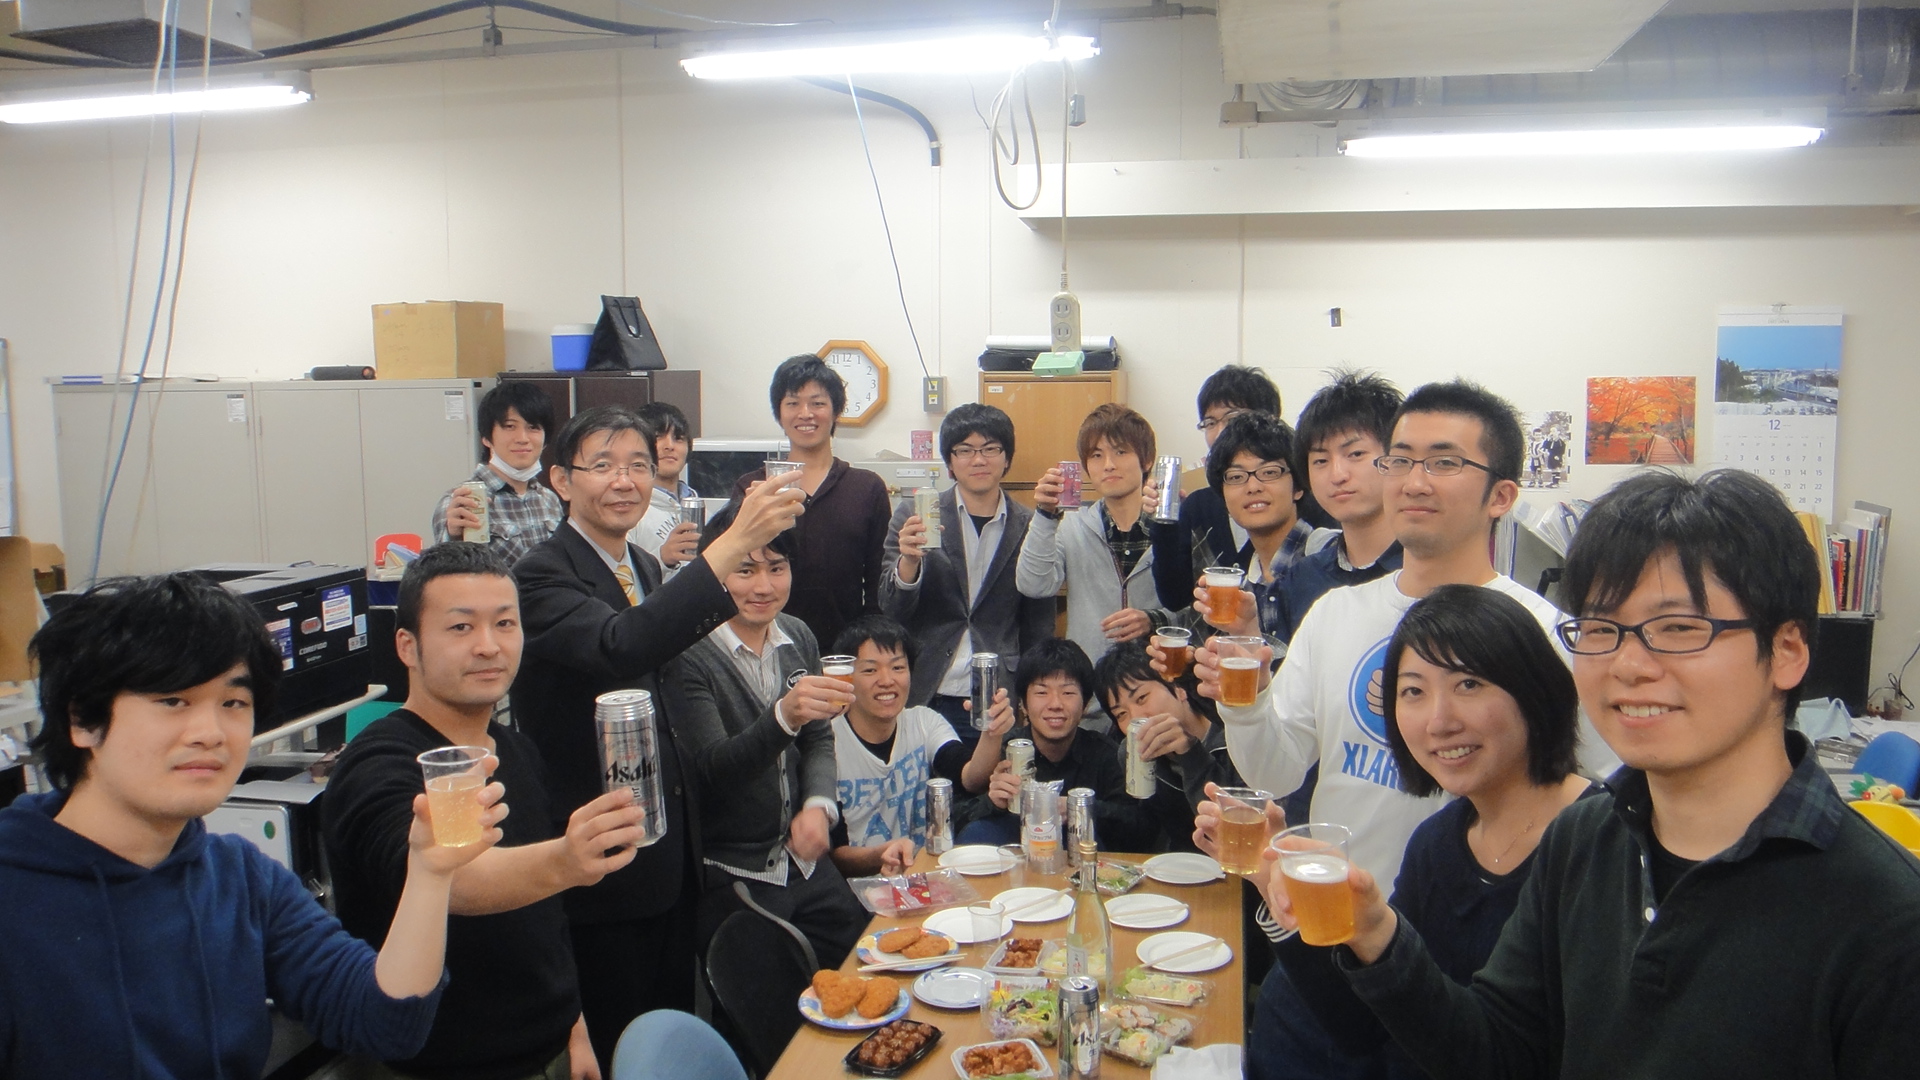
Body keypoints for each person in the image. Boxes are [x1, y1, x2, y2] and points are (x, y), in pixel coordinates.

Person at [1308, 470, 1920, 1079]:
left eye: (1677, 628)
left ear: (1786, 651)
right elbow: (1502, 1054)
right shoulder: (1585, 839)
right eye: (1601, 629)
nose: (1627, 665)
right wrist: (1376, 932)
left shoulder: (1886, 914)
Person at [2, 573, 496, 1078]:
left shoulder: (240, 878)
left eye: (232, 703)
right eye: (173, 701)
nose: (210, 733)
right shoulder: (14, 896)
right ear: (83, 721)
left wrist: (429, 876)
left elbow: (382, 1023)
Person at [1193, 379, 1617, 890]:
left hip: (1479, 921)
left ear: (1501, 495)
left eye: (1444, 462)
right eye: (1399, 461)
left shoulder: (1544, 633)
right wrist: (1248, 702)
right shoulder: (1334, 613)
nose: (1414, 482)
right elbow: (1275, 774)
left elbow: (1605, 796)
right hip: (1336, 909)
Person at [513, 405, 805, 1072]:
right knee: (622, 1041)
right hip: (603, 860)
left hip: (671, 853)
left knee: (671, 1027)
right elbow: (622, 645)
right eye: (603, 465)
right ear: (561, 480)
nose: (624, 481)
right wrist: (732, 542)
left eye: (638, 465)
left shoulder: (642, 565)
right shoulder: (540, 573)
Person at [1223, 585, 1592, 1080]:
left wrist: (1380, 930)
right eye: (1413, 691)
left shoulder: (1600, 844)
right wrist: (1276, 886)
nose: (1439, 721)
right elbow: (1362, 1029)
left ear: (1535, 689)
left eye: (1469, 684)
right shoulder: (1439, 842)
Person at [325, 543, 650, 1080]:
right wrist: (565, 860)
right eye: (460, 627)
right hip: (437, 1066)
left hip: (550, 1051)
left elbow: (544, 917)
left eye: (505, 624)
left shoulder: (514, 749)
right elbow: (445, 880)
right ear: (407, 645)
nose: (488, 646)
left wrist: (573, 1027)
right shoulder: (380, 763)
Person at [661, 522, 873, 969]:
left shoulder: (798, 635)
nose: (764, 587)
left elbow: (818, 736)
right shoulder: (688, 653)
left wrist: (818, 805)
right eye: (745, 570)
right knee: (768, 998)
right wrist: (783, 717)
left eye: (777, 568)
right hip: (735, 871)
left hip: (806, 863)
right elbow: (713, 770)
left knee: (866, 966)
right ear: (715, 571)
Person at [881, 403, 1054, 740]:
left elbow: (1038, 623)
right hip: (927, 687)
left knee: (994, 775)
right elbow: (891, 612)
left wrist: (1031, 692)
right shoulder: (915, 515)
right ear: (949, 461)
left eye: (990, 449)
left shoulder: (1030, 526)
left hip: (998, 697)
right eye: (965, 450)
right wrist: (909, 562)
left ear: (1007, 458)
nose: (978, 460)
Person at [726, 354, 892, 651]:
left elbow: (877, 581)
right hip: (768, 645)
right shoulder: (754, 488)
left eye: (817, 403)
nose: (805, 414)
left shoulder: (866, 488)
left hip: (845, 650)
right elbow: (735, 568)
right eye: (792, 403)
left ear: (836, 411)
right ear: (779, 414)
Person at [825, 615, 1012, 876]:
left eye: (897, 667)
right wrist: (881, 855)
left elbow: (971, 778)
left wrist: (992, 731)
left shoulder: (924, 722)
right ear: (846, 678)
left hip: (922, 877)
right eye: (870, 670)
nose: (887, 680)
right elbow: (835, 855)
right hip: (860, 886)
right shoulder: (827, 743)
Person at [955, 639, 1157, 851]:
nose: (1055, 704)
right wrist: (992, 802)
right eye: (1041, 693)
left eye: (1068, 693)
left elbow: (1140, 827)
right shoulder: (1006, 749)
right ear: (1023, 704)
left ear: (1085, 704)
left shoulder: (1106, 754)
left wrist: (1079, 809)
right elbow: (957, 817)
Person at [1018, 404, 1172, 673]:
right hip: (1090, 680)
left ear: (1147, 460)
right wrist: (1044, 515)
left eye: (1121, 452)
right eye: (1097, 455)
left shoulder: (1171, 526)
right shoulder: (1072, 525)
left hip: (1158, 681)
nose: (1109, 465)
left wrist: (1154, 619)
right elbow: (1034, 585)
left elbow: (1199, 606)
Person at [1151, 365, 1284, 610]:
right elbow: (1174, 598)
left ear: (1270, 422)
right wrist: (1163, 524)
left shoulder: (1293, 500)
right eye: (1210, 422)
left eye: (1232, 418)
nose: (1221, 432)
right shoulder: (1198, 506)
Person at [1092, 641, 1240, 853]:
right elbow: (1149, 833)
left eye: (1142, 698)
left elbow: (1234, 835)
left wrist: (1190, 754)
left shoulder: (1233, 741)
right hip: (1176, 867)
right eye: (1121, 714)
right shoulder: (1132, 752)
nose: (1136, 717)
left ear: (1179, 689)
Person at [1284, 370, 1406, 625]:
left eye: (1355, 454)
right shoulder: (1303, 578)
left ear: (1396, 458)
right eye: (1321, 460)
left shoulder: (1423, 572)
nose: (1337, 475)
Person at [1187, 412, 1315, 648]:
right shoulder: (1245, 584)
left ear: (1299, 487)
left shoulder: (1323, 563)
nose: (1253, 487)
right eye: (1236, 477)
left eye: (1269, 472)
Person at [433, 381, 565, 565]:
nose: (522, 438)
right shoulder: (461, 501)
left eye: (533, 427)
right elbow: (445, 572)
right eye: (510, 426)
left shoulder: (549, 499)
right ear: (486, 438)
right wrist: (453, 537)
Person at [628, 402, 701, 577]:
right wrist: (662, 558)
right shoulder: (628, 508)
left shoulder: (698, 506)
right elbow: (619, 578)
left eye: (678, 438)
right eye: (658, 437)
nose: (669, 446)